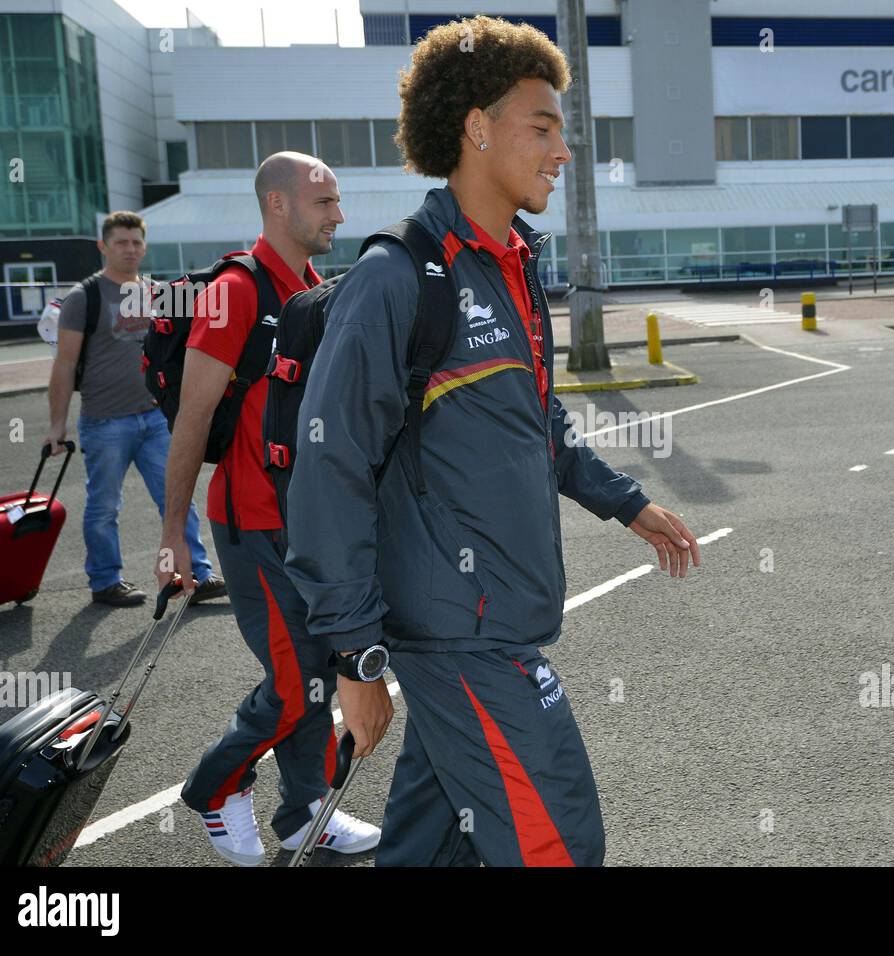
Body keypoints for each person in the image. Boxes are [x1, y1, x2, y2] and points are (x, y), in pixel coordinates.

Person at [284, 15, 702, 867]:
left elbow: (536, 425)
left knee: (427, 853)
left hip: (491, 623)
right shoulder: (397, 276)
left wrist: (625, 504)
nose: (561, 151)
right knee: (560, 843)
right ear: (476, 127)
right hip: (460, 641)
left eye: (563, 131)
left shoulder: (512, 264)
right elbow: (329, 470)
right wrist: (357, 658)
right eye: (541, 127)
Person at [154, 152, 380, 865]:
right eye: (324, 201)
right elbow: (192, 419)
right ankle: (214, 787)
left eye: (338, 201)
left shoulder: (313, 285)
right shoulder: (233, 291)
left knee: (316, 671)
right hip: (251, 523)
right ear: (277, 205)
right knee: (292, 686)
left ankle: (304, 809)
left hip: (306, 523)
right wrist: (173, 537)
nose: (338, 215)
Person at [45, 211, 223, 607]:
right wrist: (56, 426)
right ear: (103, 246)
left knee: (176, 499)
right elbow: (64, 364)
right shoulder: (83, 297)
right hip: (105, 421)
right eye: (121, 242)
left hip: (156, 418)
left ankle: (196, 575)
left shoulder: (159, 293)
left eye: (136, 242)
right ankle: (106, 580)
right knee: (104, 505)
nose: (130, 249)